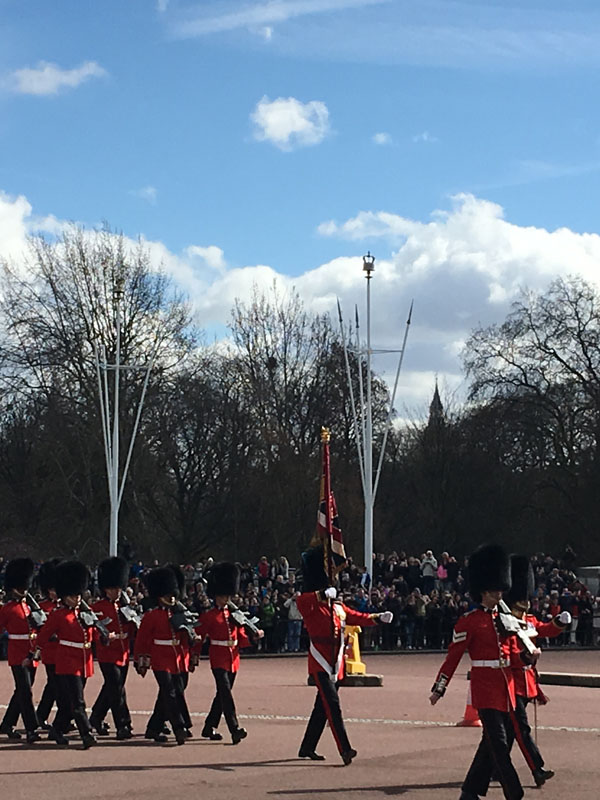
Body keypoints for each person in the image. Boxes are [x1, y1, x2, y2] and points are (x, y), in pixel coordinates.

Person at [430, 544, 534, 800]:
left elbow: (511, 656)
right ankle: (514, 793)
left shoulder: (505, 619)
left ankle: (469, 791)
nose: (500, 594)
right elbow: (452, 658)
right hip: (485, 691)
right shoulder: (470, 621)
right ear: (483, 592)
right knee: (498, 744)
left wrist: (526, 657)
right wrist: (439, 688)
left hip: (506, 688)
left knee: (490, 744)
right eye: (496, 590)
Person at [297, 546, 393, 766]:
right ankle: (345, 749)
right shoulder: (311, 604)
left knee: (321, 707)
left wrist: (378, 618)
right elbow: (302, 601)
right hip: (320, 661)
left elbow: (357, 617)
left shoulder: (338, 608)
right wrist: (321, 594)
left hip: (336, 662)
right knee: (332, 704)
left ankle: (307, 746)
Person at [504, 554, 571, 788]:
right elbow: (506, 654)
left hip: (526, 682)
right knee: (521, 729)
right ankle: (537, 768)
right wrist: (525, 656)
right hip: (510, 684)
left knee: (503, 734)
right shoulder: (505, 623)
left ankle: (493, 766)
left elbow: (544, 630)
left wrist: (560, 622)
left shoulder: (528, 619)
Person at [193, 562, 263, 744]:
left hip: (233, 658)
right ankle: (234, 728)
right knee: (226, 694)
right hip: (218, 658)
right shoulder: (208, 616)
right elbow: (198, 636)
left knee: (222, 694)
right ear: (216, 596)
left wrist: (254, 637)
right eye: (223, 596)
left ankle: (209, 726)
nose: (226, 599)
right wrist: (194, 654)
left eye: (227, 596)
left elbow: (239, 634)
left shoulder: (233, 615)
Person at [36, 561, 97, 748]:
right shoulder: (58, 615)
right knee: (78, 701)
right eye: (73, 595)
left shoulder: (83, 613)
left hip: (84, 661)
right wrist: (35, 653)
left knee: (68, 702)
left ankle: (57, 729)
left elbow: (90, 635)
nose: (77, 598)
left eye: (79, 595)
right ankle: (86, 733)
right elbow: (43, 636)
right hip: (67, 661)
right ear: (64, 596)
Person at [133, 566, 190, 745]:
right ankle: (179, 727)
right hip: (160, 658)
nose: (172, 598)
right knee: (170, 692)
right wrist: (141, 661)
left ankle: (153, 727)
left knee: (171, 693)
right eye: (168, 594)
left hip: (178, 658)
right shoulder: (152, 616)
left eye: (173, 594)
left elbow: (185, 637)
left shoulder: (179, 613)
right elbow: (142, 640)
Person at [89, 556, 135, 740]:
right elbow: (93, 631)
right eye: (113, 588)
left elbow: (132, 629)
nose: (117, 591)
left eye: (119, 587)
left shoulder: (123, 607)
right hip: (107, 653)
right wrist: (104, 637)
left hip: (123, 652)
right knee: (117, 689)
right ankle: (123, 724)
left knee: (112, 687)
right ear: (105, 589)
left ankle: (95, 718)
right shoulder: (97, 608)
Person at [0, 558, 41, 743]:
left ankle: (7, 724)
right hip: (17, 654)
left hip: (32, 653)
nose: (24, 590)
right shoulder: (7, 609)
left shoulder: (29, 606)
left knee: (22, 690)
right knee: (25, 691)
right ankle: (31, 728)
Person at [36, 559, 61, 730]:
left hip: (65, 652)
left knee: (55, 686)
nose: (54, 593)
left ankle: (42, 716)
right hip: (51, 652)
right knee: (55, 684)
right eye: (51, 589)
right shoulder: (42, 607)